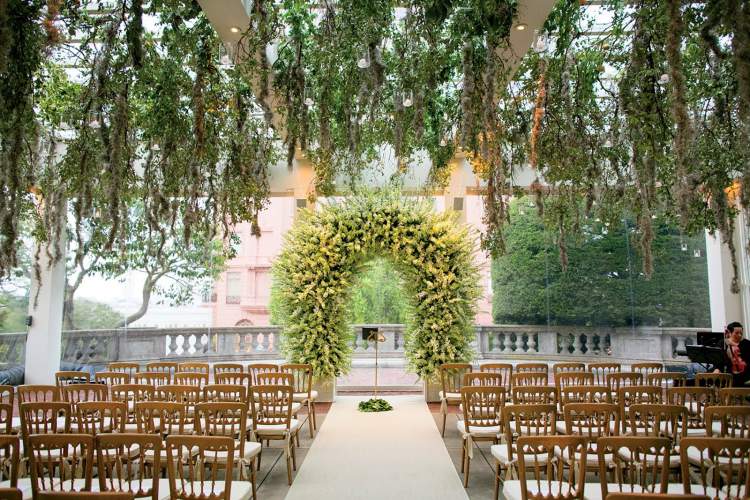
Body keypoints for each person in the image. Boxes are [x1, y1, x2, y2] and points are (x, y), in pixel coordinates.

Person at [723, 322, 750, 386]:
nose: (740, 335)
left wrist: (744, 364)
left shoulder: (747, 343)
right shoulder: (723, 343)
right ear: (729, 333)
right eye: (737, 333)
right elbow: (719, 359)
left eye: (741, 333)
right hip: (728, 370)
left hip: (745, 371)